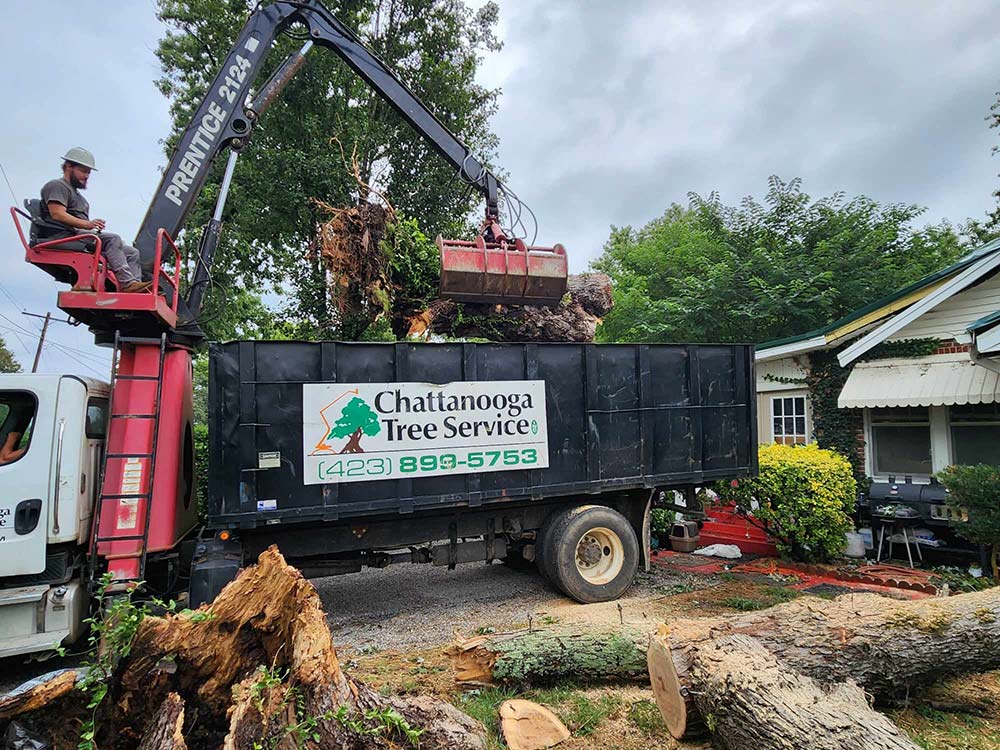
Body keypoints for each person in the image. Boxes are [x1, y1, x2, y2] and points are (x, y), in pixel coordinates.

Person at [40, 147, 149, 293]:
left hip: (79, 236)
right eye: (83, 171)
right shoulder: (57, 186)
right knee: (113, 239)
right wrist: (87, 224)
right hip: (62, 237)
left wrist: (90, 228)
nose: (86, 176)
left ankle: (134, 289)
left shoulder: (79, 198)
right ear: (68, 167)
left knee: (131, 252)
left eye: (88, 173)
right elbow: (57, 214)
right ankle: (128, 284)